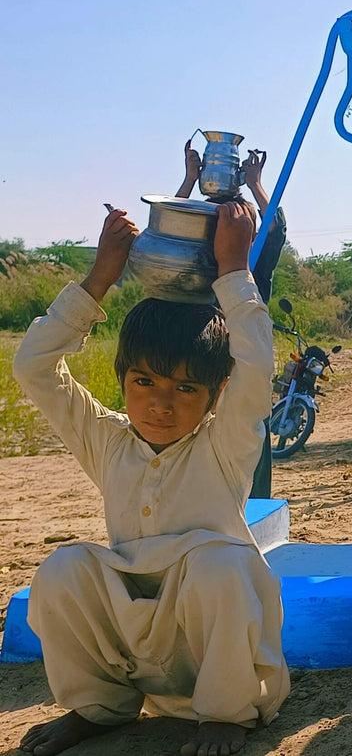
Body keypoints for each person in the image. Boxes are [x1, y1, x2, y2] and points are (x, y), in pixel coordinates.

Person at [14, 204, 289, 756]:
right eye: (144, 381)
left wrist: (234, 267)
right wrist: (99, 279)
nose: (161, 404)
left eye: (187, 389)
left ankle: (225, 715)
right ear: (122, 379)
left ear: (215, 395)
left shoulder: (223, 442)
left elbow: (255, 365)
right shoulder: (107, 440)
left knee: (223, 564)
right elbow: (34, 367)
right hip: (135, 644)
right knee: (64, 567)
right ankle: (100, 707)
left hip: (211, 647)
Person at [177, 140, 286, 497]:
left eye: (240, 226)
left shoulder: (255, 263)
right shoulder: (196, 259)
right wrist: (191, 179)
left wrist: (255, 185)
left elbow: (274, 229)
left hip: (244, 364)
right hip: (199, 363)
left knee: (250, 448)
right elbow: (174, 227)